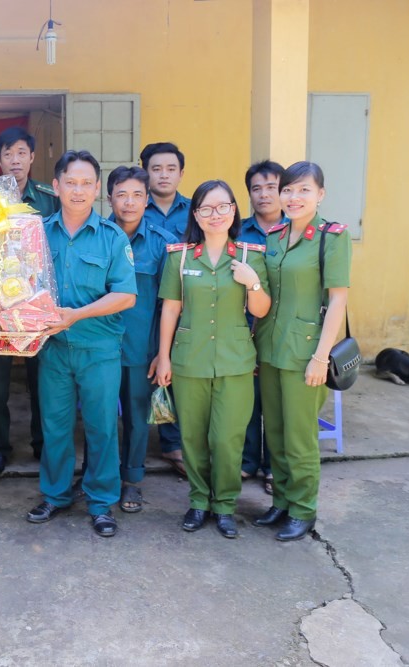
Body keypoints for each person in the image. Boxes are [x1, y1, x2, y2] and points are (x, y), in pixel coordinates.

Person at [25, 150, 137, 538]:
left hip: (98, 350)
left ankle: (101, 502)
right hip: (53, 349)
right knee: (54, 426)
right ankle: (55, 496)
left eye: (87, 183)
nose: (78, 190)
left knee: (101, 427)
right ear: (55, 187)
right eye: (70, 182)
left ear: (97, 191)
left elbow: (125, 295)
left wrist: (76, 314)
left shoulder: (112, 237)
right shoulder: (36, 234)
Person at [156, 180, 271, 538]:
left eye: (223, 207)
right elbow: (171, 309)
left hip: (236, 361)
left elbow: (262, 309)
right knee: (192, 436)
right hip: (190, 360)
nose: (215, 214)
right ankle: (199, 501)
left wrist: (252, 283)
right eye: (206, 208)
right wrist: (163, 357)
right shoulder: (180, 257)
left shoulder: (252, 256)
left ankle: (224, 505)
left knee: (227, 438)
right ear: (196, 214)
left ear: (234, 210)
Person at [253, 161, 351, 541]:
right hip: (271, 348)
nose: (294, 198)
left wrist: (321, 357)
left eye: (304, 190)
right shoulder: (275, 235)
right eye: (288, 190)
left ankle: (304, 510)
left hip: (306, 352)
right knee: (274, 432)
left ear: (320, 195)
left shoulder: (331, 237)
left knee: (299, 436)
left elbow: (338, 301)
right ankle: (281, 501)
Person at [0, 126, 60, 477]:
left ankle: (41, 443)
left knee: (43, 379)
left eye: (21, 152)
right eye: (7, 153)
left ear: (32, 157)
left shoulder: (49, 197)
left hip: (35, 304)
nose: (15, 160)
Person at [105, 165, 177, 513]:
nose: (129, 202)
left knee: (135, 416)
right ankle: (98, 475)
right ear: (110, 198)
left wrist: (163, 353)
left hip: (139, 348)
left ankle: (131, 481)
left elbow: (170, 305)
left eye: (137, 195)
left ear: (147, 200)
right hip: (98, 347)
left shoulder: (161, 244)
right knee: (98, 415)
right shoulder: (97, 235)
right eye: (122, 194)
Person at [140, 142, 191, 474]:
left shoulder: (195, 209)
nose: (164, 175)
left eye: (171, 169)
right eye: (156, 168)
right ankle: (146, 444)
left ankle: (178, 444)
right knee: (147, 372)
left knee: (181, 374)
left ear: (181, 173)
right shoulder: (133, 207)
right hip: (146, 303)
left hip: (188, 305)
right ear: (146, 172)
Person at [239, 160, 287, 494]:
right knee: (247, 398)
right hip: (243, 327)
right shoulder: (238, 232)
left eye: (271, 187)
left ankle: (273, 466)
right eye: (257, 188)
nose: (264, 194)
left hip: (282, 329)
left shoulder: (296, 232)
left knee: (277, 401)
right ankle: (246, 461)